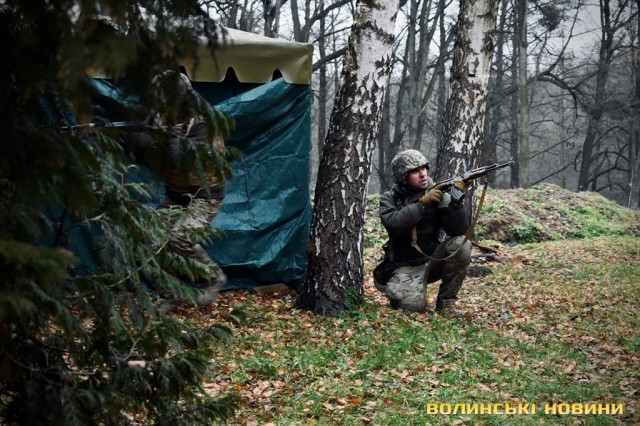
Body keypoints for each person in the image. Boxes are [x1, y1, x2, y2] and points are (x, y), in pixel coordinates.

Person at [124, 70, 229, 311]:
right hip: (175, 192)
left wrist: (153, 144)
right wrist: (134, 143)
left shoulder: (203, 121)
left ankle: (213, 277)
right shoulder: (159, 117)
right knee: (151, 242)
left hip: (205, 194)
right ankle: (171, 294)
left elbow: (192, 158)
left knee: (180, 238)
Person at [374, 149, 472, 317]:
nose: (422, 174)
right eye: (414, 171)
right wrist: (422, 205)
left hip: (432, 261)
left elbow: (458, 230)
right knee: (413, 307)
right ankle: (403, 291)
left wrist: (455, 203)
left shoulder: (438, 192)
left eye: (424, 168)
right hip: (403, 267)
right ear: (403, 176)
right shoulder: (389, 198)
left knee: (461, 244)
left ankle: (446, 303)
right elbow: (394, 224)